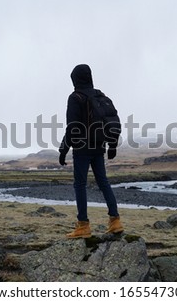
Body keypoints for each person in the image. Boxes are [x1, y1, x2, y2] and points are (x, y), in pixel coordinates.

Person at [59, 64, 124, 238]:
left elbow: (72, 127)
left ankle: (83, 226)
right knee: (103, 183)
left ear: (75, 79)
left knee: (80, 185)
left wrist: (63, 149)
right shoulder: (100, 96)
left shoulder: (75, 97)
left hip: (82, 148)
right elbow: (112, 121)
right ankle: (115, 221)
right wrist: (112, 146)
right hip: (99, 146)